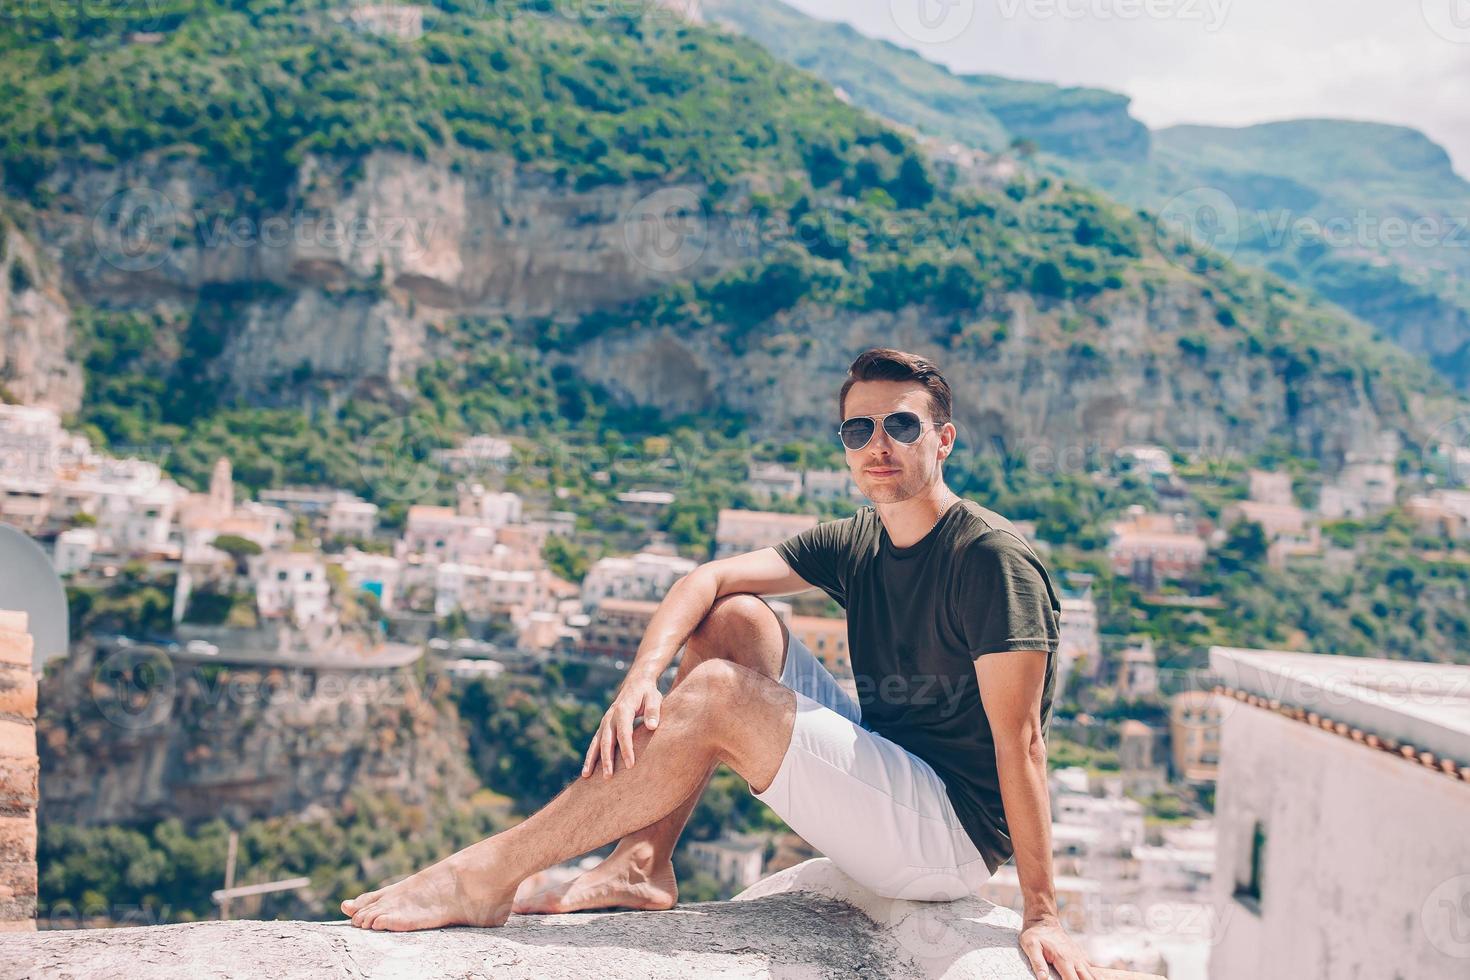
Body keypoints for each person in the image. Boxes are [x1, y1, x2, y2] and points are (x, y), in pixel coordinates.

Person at [341, 346, 1096, 980]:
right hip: (893, 765)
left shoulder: (989, 558)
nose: (879, 445)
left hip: (950, 835)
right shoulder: (863, 541)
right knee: (731, 617)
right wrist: (640, 679)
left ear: (944, 439)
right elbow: (703, 579)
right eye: (858, 428)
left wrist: (1042, 913)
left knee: (722, 696)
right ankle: (641, 864)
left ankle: (484, 875)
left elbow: (1021, 742)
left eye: (902, 424)